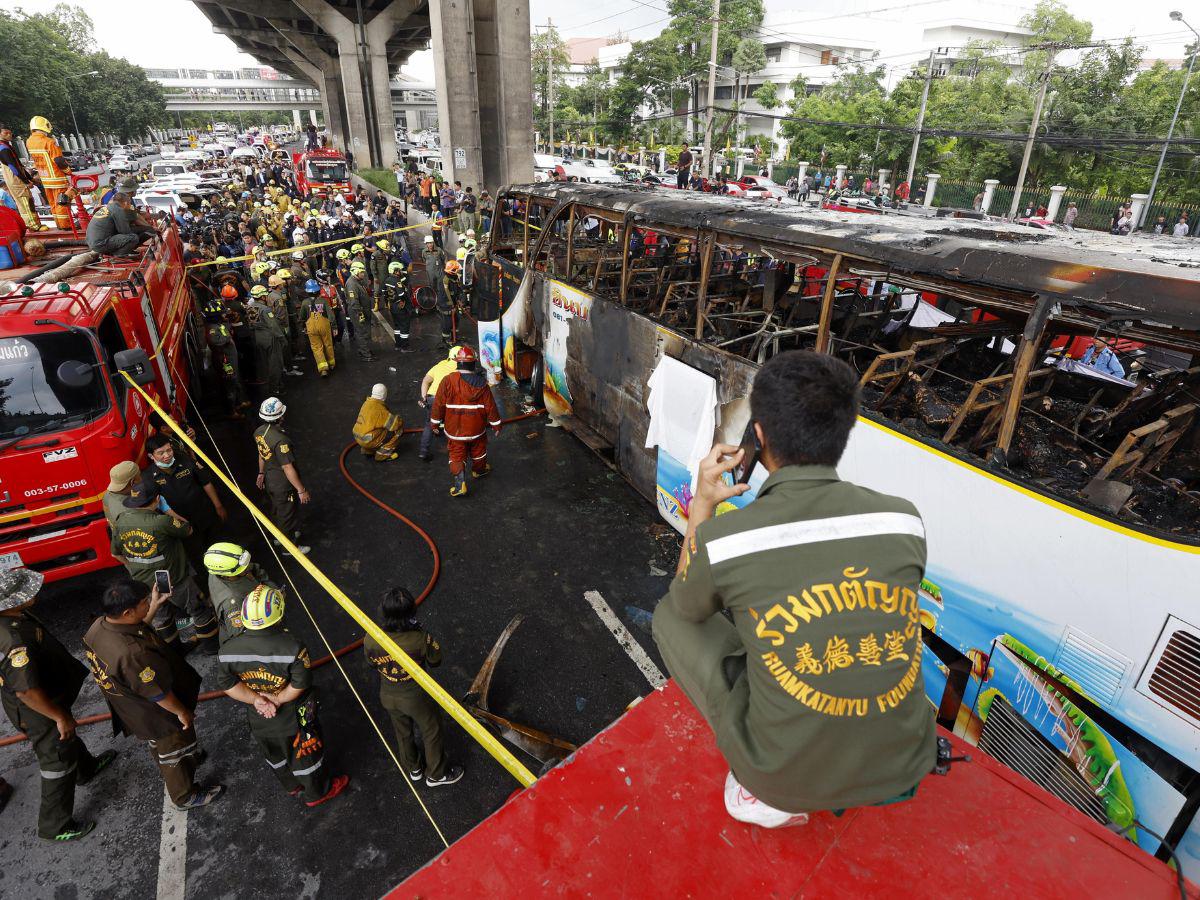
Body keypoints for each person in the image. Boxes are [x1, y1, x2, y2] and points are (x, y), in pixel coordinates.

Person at [651, 350, 935, 829]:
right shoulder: (904, 518)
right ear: (844, 433)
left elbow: (686, 604)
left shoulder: (732, 540)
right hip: (904, 763)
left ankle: (763, 795)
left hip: (780, 780)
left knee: (669, 616)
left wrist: (702, 502)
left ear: (756, 436)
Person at [83, 578, 224, 811]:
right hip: (157, 714)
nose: (148, 603)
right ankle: (185, 795)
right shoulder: (132, 654)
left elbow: (136, 631)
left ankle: (183, 761)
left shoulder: (100, 626)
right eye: (144, 602)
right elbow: (158, 694)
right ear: (128, 611)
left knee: (162, 746)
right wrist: (182, 713)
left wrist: (155, 605)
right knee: (175, 750)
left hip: (132, 708)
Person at [0, 568, 118, 841]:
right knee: (56, 758)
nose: (34, 593)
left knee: (65, 738)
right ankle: (55, 825)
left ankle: (85, 769)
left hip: (47, 699)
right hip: (37, 708)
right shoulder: (12, 639)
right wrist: (58, 716)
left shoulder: (13, 617)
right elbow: (27, 692)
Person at [216, 586, 350, 807]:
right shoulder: (293, 647)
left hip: (259, 718)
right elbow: (300, 683)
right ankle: (317, 793)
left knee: (274, 755)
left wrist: (257, 700)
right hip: (293, 719)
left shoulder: (228, 651)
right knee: (306, 756)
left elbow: (227, 684)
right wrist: (277, 699)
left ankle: (291, 786)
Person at [363, 587, 463, 787]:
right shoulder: (420, 638)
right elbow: (435, 661)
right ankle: (436, 774)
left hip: (388, 694)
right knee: (431, 730)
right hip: (415, 696)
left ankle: (414, 768)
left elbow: (372, 664)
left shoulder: (370, 638)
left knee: (402, 732)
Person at [110, 480, 217, 650]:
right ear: (157, 499)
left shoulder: (121, 521)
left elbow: (115, 553)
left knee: (161, 617)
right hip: (168, 577)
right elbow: (187, 529)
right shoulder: (161, 521)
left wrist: (134, 568)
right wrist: (168, 510)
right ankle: (211, 647)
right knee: (199, 609)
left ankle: (174, 651)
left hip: (143, 581)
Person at [140, 433, 227, 582]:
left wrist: (218, 506)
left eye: (169, 450)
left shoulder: (186, 461)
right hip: (182, 524)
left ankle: (226, 575)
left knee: (217, 547)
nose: (167, 455)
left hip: (204, 514)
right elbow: (158, 502)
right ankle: (209, 586)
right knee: (197, 558)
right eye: (161, 453)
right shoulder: (148, 477)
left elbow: (205, 482)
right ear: (150, 456)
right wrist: (180, 521)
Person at [430, 345, 502, 497]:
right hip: (477, 430)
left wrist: (434, 423)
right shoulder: (482, 384)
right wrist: (497, 425)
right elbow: (491, 407)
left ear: (458, 362)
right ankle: (479, 470)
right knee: (479, 451)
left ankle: (459, 485)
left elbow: (438, 405)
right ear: (473, 363)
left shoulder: (447, 381)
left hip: (455, 430)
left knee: (457, 455)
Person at [254, 397, 312, 556]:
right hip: (282, 484)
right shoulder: (281, 440)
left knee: (276, 509)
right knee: (287, 514)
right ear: (279, 417)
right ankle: (289, 548)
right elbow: (287, 466)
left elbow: (262, 454)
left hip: (269, 479)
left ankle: (278, 537)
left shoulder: (259, 432)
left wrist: (260, 473)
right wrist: (301, 490)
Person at [203, 542, 277, 645]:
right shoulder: (232, 604)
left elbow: (256, 571)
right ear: (227, 575)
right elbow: (243, 638)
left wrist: (273, 591)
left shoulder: (234, 564)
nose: (247, 567)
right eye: (243, 568)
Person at [25, 115, 72, 229]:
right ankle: (65, 225)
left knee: (52, 203)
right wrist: (68, 171)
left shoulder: (29, 141)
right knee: (62, 202)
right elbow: (58, 160)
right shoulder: (49, 142)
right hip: (57, 179)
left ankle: (59, 224)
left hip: (45, 179)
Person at [418, 345, 462, 462]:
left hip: (432, 398)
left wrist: (424, 397)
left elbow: (426, 380)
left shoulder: (441, 364)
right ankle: (455, 453)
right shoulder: (461, 367)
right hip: (447, 400)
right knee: (453, 422)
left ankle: (423, 452)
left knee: (429, 424)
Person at [0, 124, 44, 230]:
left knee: (28, 200)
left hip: (17, 177)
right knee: (25, 201)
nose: (9, 135)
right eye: (6, 133)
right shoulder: (3, 148)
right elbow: (13, 167)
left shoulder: (7, 146)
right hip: (15, 178)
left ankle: (35, 224)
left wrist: (30, 178)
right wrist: (26, 181)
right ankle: (33, 226)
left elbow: (19, 165)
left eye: (10, 133)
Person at [85, 193, 153, 257]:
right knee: (133, 238)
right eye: (130, 203)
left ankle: (126, 250)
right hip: (101, 244)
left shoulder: (108, 207)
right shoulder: (119, 210)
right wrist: (144, 229)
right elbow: (125, 231)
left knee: (136, 233)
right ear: (126, 203)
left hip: (93, 242)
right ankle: (118, 255)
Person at [353, 383, 404, 461]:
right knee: (398, 431)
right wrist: (399, 419)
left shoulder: (367, 403)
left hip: (358, 437)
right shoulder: (380, 410)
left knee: (372, 429)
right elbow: (395, 425)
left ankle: (368, 451)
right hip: (369, 440)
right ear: (384, 395)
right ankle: (381, 455)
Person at [300, 277, 336, 376]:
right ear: (317, 290)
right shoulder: (323, 301)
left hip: (311, 328)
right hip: (324, 326)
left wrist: (304, 327)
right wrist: (334, 327)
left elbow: (302, 317)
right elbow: (331, 315)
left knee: (316, 347)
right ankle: (331, 363)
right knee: (328, 344)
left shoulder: (304, 303)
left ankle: (323, 368)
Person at [344, 260, 374, 362]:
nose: (363, 274)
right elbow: (354, 302)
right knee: (361, 332)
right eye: (361, 272)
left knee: (364, 331)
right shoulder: (352, 284)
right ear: (356, 272)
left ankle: (364, 350)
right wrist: (360, 314)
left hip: (362, 311)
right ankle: (366, 355)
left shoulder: (357, 281)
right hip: (357, 312)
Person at [382, 260, 412, 350]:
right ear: (395, 271)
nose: (401, 271)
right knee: (404, 326)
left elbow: (384, 292)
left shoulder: (387, 280)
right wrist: (404, 300)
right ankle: (405, 347)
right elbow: (401, 294)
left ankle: (398, 345)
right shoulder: (397, 281)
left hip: (392, 306)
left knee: (397, 326)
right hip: (400, 306)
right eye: (399, 270)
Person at [102, 460, 141, 528]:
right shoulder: (130, 510)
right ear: (132, 482)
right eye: (140, 475)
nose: (141, 479)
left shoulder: (107, 495)